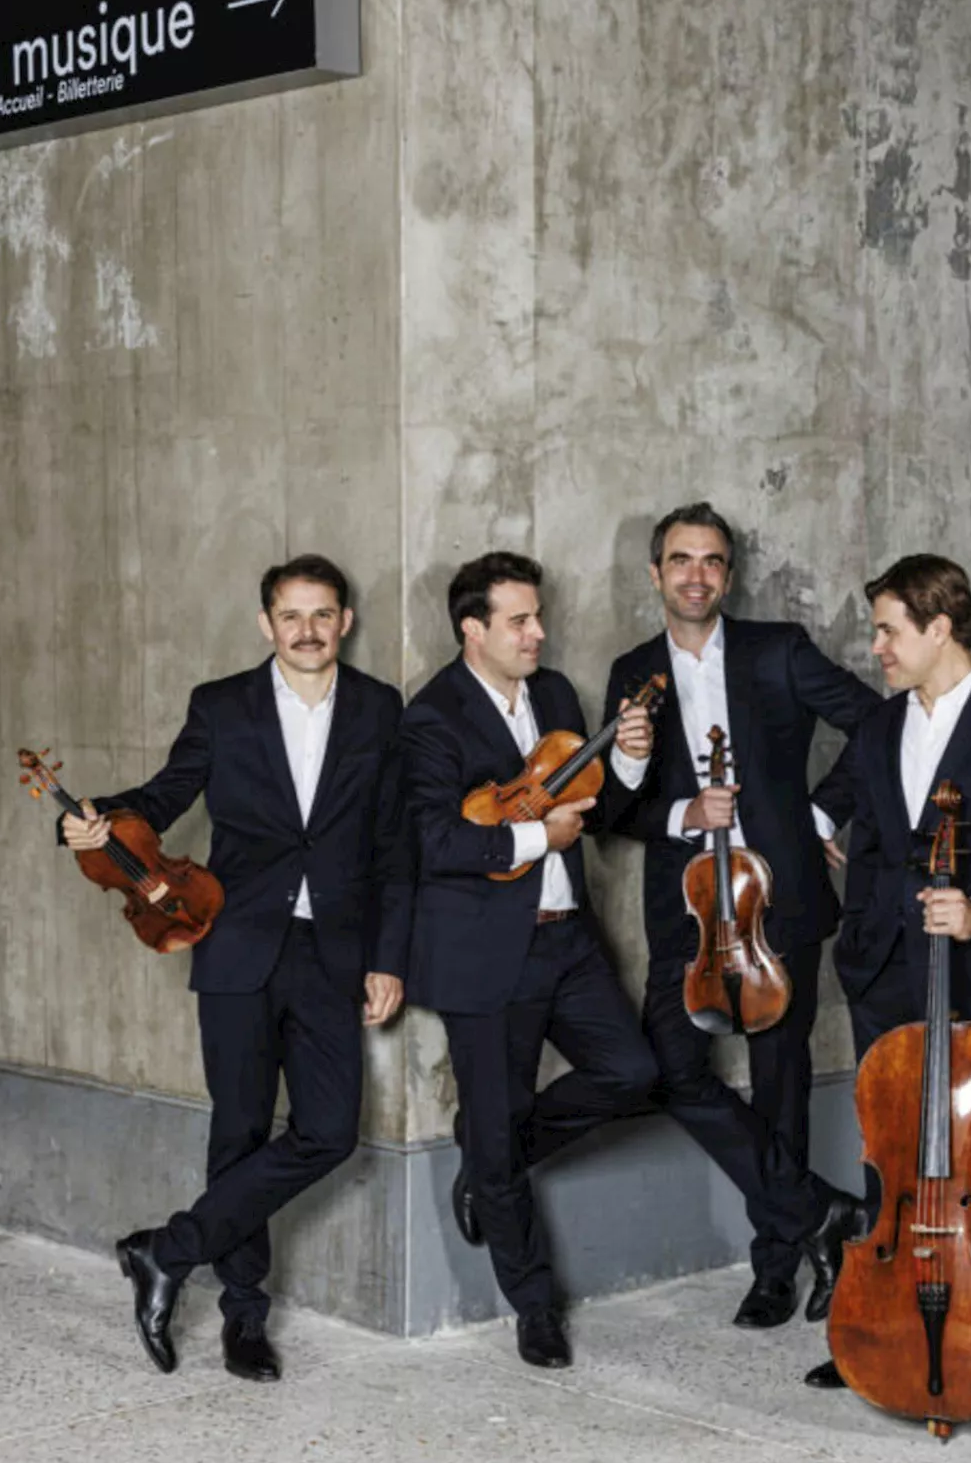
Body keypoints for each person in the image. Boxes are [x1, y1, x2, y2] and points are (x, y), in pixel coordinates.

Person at [62, 555, 413, 1382]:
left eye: (323, 615)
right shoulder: (221, 706)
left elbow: (396, 847)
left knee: (329, 1132)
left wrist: (389, 960)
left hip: (334, 951)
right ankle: (244, 1320)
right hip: (236, 944)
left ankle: (166, 1250)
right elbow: (163, 794)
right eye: (291, 616)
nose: (307, 631)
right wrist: (90, 823)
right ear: (267, 624)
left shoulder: (377, 709)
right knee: (242, 1129)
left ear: (346, 622)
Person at [603, 503, 882, 1329]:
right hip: (686, 912)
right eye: (681, 560)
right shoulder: (633, 672)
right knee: (674, 1070)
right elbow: (616, 809)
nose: (697, 575)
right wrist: (683, 813)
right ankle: (819, 1216)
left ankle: (774, 1268)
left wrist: (822, 816)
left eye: (713, 561)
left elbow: (878, 722)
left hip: (777, 904)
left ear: (730, 574)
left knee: (780, 1084)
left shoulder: (778, 652)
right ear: (656, 574)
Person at [805, 552, 971, 1388]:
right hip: (884, 966)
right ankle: (876, 1330)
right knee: (889, 1155)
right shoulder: (882, 725)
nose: (877, 647)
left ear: (939, 628)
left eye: (889, 630)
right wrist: (801, 833)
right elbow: (834, 801)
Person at [401, 553, 658, 1370]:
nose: (538, 632)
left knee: (634, 1071)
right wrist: (528, 838)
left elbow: (598, 809)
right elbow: (433, 840)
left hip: (567, 938)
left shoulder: (553, 696)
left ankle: (488, 1155)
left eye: (537, 615)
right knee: (499, 1124)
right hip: (486, 953)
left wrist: (630, 759)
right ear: (472, 629)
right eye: (519, 620)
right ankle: (534, 1306)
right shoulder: (431, 717)